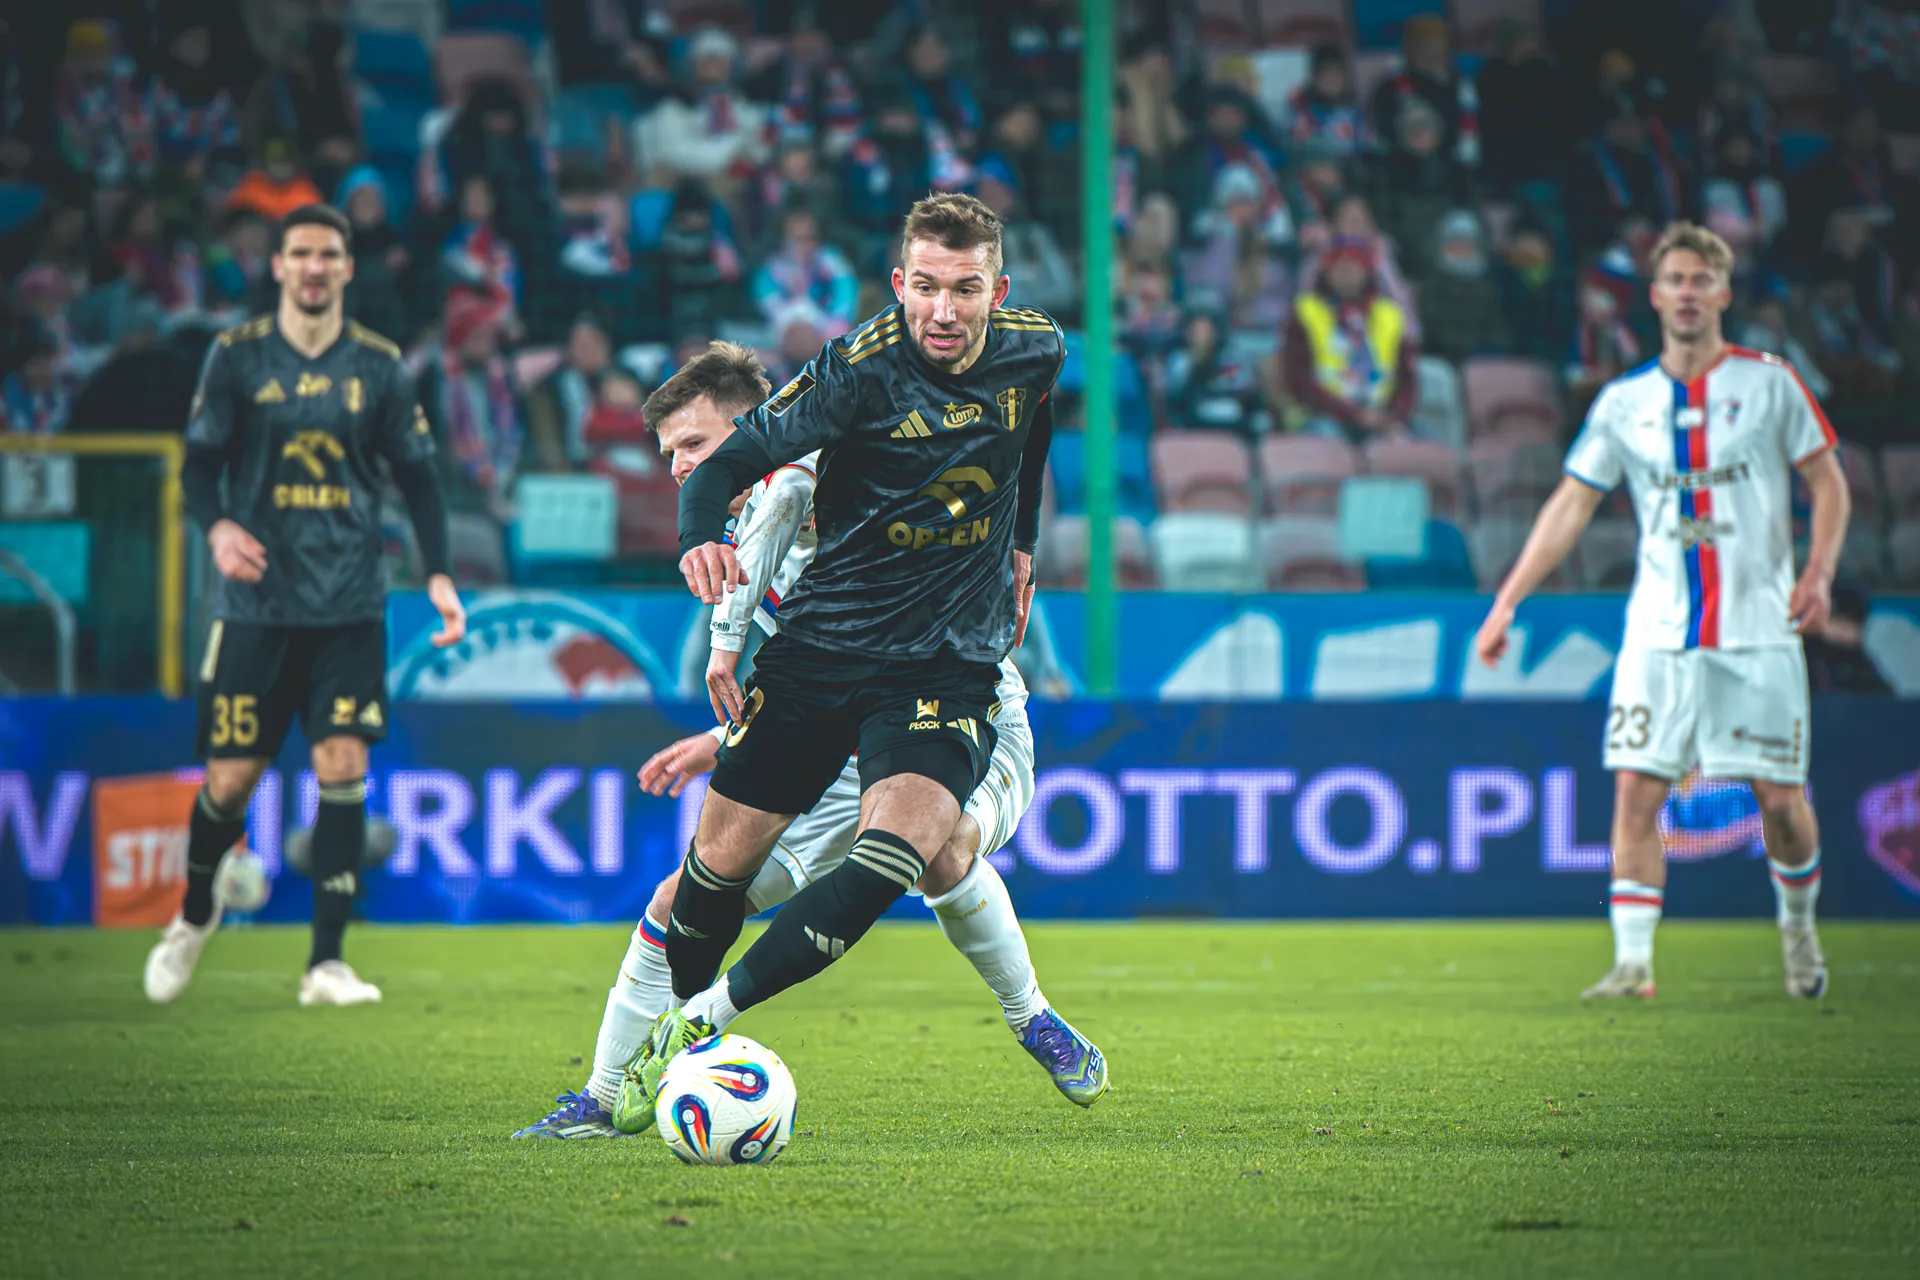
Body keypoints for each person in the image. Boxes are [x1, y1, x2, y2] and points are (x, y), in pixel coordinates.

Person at [514, 341, 1095, 1137]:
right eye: (670, 453)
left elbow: (999, 436)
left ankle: (1032, 1018)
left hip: (968, 712)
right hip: (845, 746)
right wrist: (725, 736)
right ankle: (604, 1098)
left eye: (695, 444)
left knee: (941, 849)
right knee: (680, 902)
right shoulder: (747, 526)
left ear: (757, 429)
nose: (681, 468)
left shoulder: (832, 475)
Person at [627, 194, 1101, 1106]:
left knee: (928, 848)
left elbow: (1031, 424)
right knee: (708, 875)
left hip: (949, 666)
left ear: (998, 293)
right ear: (898, 285)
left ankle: (1025, 1013)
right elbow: (732, 468)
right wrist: (699, 540)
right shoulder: (853, 375)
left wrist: (1022, 540)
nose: (943, 310)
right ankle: (637, 1069)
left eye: (964, 289)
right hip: (826, 661)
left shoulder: (1035, 349)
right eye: (925, 287)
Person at [1472, 222, 1850, 1002]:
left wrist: (1818, 572)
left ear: (1724, 293)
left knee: (1781, 804)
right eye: (1675, 280)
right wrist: (1508, 601)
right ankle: (1634, 964)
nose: (1687, 293)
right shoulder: (1625, 402)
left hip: (1757, 630)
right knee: (1636, 792)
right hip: (1657, 633)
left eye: (1700, 280)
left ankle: (1799, 933)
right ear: (1653, 295)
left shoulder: (1771, 384)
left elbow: (1829, 482)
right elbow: (1571, 504)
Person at [143, 204, 467, 1007]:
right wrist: (218, 528)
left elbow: (420, 478)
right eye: (301, 254)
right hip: (256, 607)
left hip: (349, 604)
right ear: (280, 266)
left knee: (343, 764)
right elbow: (199, 465)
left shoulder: (379, 366)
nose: (314, 267)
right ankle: (194, 913)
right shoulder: (237, 356)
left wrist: (437, 574)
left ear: (347, 268)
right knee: (229, 781)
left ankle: (326, 963)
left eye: (328, 254)